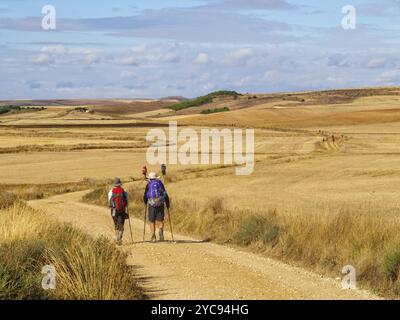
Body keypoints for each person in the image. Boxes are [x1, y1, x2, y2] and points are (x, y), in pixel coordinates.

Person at [143, 172, 170, 242]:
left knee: (152, 221)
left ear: (150, 178)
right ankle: (160, 232)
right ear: (156, 178)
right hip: (160, 203)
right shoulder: (160, 183)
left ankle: (153, 236)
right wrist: (167, 203)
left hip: (152, 204)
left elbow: (145, 195)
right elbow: (165, 193)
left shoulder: (148, 185)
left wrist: (145, 202)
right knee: (160, 219)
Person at [108, 177, 129, 245]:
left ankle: (117, 238)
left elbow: (109, 202)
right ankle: (119, 238)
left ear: (114, 184)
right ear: (120, 184)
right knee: (121, 225)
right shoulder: (124, 191)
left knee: (116, 224)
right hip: (122, 210)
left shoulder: (111, 191)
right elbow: (127, 202)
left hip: (114, 210)